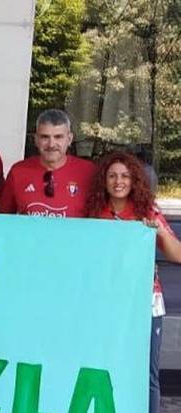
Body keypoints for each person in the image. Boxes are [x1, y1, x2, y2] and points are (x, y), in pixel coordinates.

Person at [85, 151, 181, 413]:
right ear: (103, 180)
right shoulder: (94, 214)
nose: (119, 181)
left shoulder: (146, 212)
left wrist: (158, 231)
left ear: (135, 180)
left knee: (146, 372)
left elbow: (177, 254)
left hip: (145, 304)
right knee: (107, 365)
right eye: (112, 176)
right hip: (107, 303)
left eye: (125, 176)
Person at [0, 109, 95, 217]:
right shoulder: (18, 171)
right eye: (45, 137)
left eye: (58, 137)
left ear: (69, 139)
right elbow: (2, 217)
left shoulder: (89, 172)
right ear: (36, 139)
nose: (51, 144)